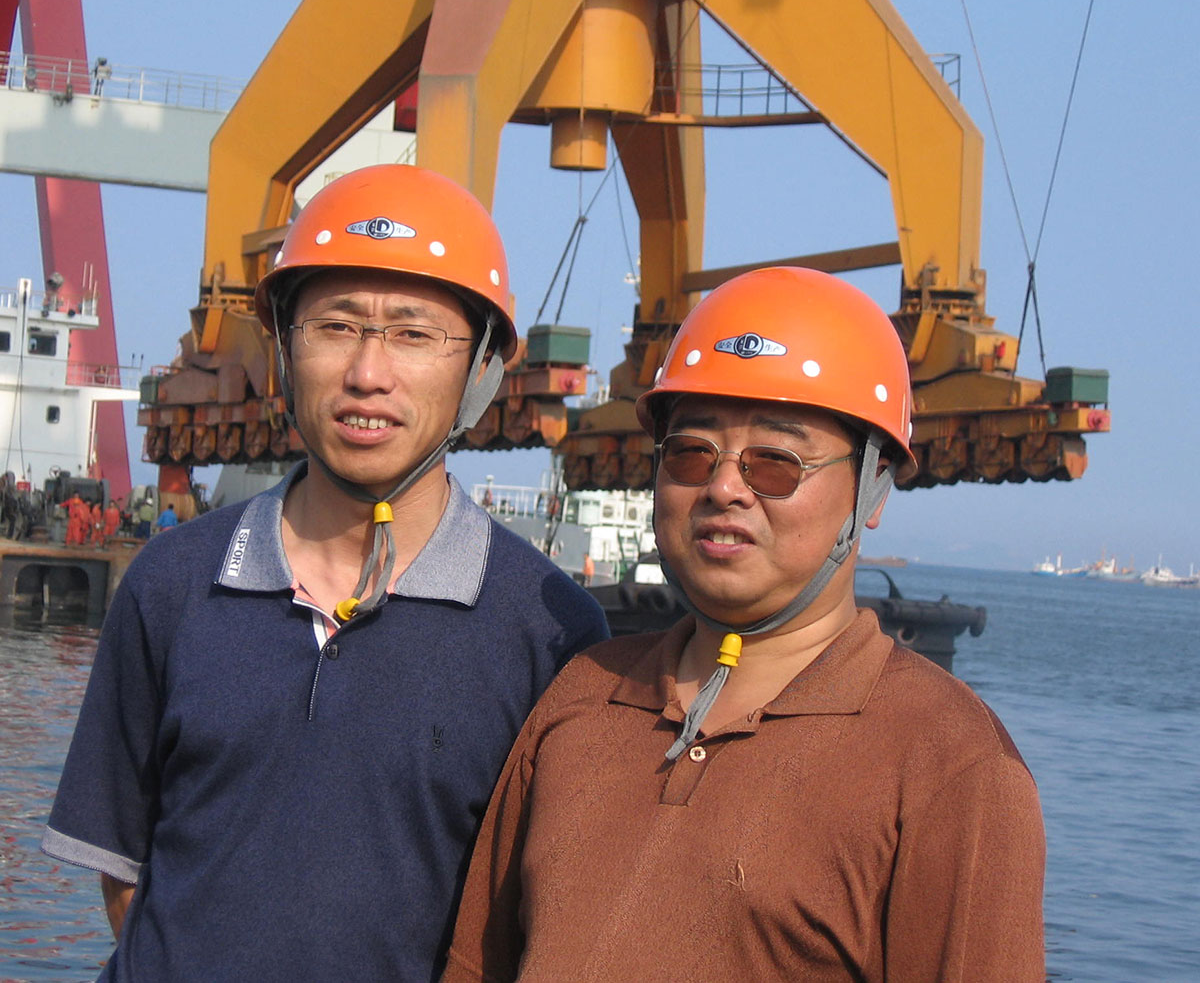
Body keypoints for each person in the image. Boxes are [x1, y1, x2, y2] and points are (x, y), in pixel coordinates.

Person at [42, 165, 609, 982]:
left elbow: (543, 918)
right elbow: (124, 874)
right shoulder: (172, 585)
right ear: (283, 345)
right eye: (335, 326)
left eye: (414, 334)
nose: (367, 373)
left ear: (483, 365)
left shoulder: (550, 632)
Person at [442, 267, 1046, 983]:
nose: (724, 486)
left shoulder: (952, 765)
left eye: (776, 464)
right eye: (691, 453)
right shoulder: (583, 696)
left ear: (872, 487)